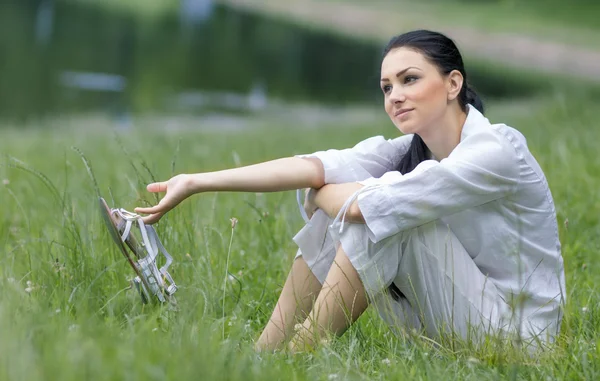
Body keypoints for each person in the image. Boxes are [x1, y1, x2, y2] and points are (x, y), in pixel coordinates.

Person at [134, 30, 566, 352]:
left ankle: (299, 352)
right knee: (366, 206)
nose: (395, 95)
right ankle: (263, 354)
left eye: (409, 79)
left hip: (519, 340)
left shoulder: (495, 149)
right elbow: (311, 166)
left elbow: (366, 203)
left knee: (381, 215)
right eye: (387, 87)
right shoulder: (409, 149)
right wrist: (195, 183)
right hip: (457, 318)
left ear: (453, 84)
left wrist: (323, 194)